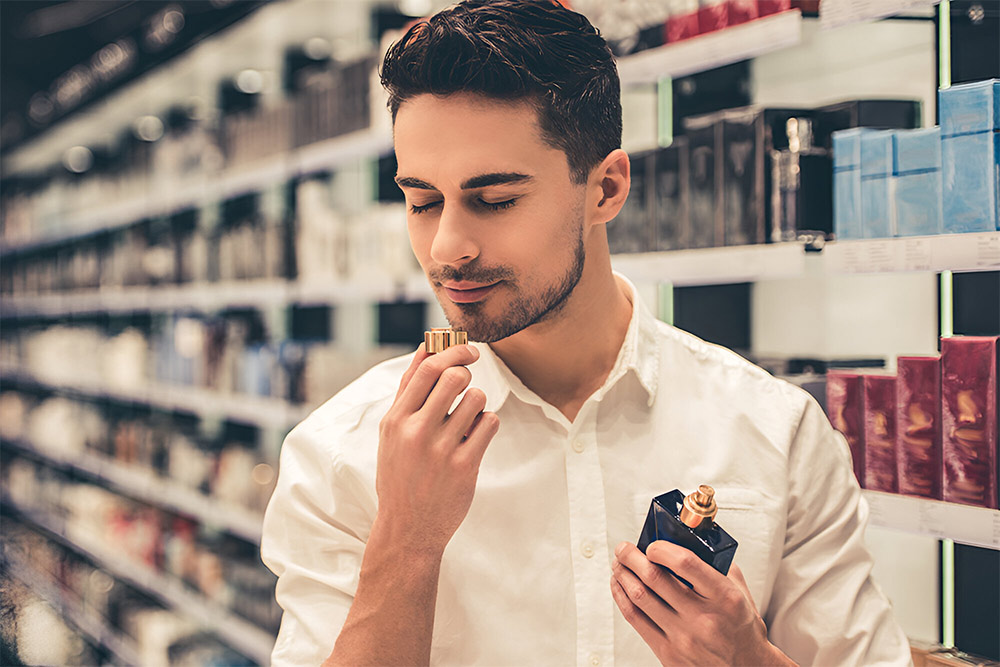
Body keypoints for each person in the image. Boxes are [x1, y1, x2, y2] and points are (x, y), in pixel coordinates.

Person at [261, 1, 912, 665]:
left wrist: (749, 658)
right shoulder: (342, 453)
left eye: (495, 200)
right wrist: (406, 541)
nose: (447, 247)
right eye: (423, 201)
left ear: (605, 188)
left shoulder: (777, 433)